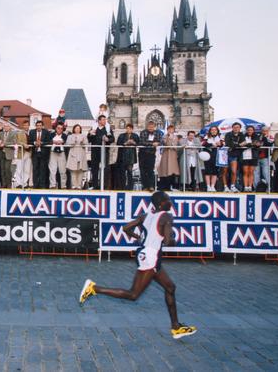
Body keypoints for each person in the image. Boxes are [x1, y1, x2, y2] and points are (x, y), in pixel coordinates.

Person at [79, 191, 197, 340]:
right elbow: (167, 241)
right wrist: (175, 239)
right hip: (151, 257)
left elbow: (125, 228)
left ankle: (176, 327)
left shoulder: (145, 216)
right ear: (161, 203)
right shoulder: (167, 217)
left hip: (146, 253)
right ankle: (94, 288)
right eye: (168, 200)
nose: (171, 202)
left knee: (170, 287)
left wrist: (139, 237)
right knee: (133, 294)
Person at [88, 115, 114, 189]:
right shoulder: (94, 128)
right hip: (95, 151)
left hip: (105, 151)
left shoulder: (108, 129)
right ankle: (95, 185)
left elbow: (112, 139)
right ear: (99, 121)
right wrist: (90, 134)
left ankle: (104, 186)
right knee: (94, 168)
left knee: (105, 168)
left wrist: (107, 139)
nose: (105, 121)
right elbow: (89, 138)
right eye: (103, 120)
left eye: (105, 120)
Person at [138, 121, 162, 191]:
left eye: (152, 127)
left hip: (151, 154)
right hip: (142, 153)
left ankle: (151, 186)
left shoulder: (157, 132)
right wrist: (152, 144)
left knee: (151, 170)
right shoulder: (143, 132)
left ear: (154, 127)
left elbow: (160, 141)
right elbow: (142, 142)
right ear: (147, 126)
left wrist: (156, 143)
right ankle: (145, 186)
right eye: (149, 127)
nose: (151, 128)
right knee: (142, 170)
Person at [223, 122, 245, 192]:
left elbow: (244, 144)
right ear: (232, 128)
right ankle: (225, 186)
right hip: (225, 155)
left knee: (234, 171)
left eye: (238, 127)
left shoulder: (241, 135)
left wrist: (235, 145)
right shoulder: (228, 134)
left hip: (234, 155)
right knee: (224, 171)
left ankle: (232, 186)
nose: (236, 129)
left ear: (240, 128)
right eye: (235, 127)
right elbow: (229, 144)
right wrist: (238, 145)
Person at [116, 124, 140, 190]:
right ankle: (122, 187)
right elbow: (118, 143)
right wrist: (125, 143)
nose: (128, 130)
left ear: (132, 129)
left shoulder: (135, 135)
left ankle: (130, 187)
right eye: (127, 128)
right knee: (122, 173)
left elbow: (139, 143)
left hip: (131, 157)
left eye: (130, 128)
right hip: (122, 157)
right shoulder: (122, 135)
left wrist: (134, 143)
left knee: (130, 172)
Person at [28, 120, 50, 189]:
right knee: (35, 170)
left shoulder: (46, 132)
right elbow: (29, 141)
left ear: (42, 126)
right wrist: (34, 143)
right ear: (36, 126)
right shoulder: (32, 132)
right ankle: (35, 185)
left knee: (42, 170)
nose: (39, 127)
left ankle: (42, 185)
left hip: (43, 154)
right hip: (35, 153)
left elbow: (49, 141)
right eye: (37, 125)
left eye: (40, 125)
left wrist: (42, 143)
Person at [158, 125, 180, 191]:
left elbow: (175, 145)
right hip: (166, 154)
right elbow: (166, 143)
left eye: (172, 129)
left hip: (173, 154)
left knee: (172, 170)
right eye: (169, 129)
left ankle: (171, 186)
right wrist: (169, 139)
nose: (170, 131)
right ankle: (164, 186)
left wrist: (171, 141)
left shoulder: (175, 137)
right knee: (164, 170)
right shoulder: (164, 136)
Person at [66, 124, 88, 189]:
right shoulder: (70, 136)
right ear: (74, 129)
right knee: (73, 170)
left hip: (81, 154)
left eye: (79, 128)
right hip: (73, 153)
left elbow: (86, 144)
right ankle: (74, 185)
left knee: (80, 170)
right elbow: (68, 144)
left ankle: (79, 185)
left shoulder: (83, 136)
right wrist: (73, 141)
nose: (77, 129)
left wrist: (82, 143)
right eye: (76, 128)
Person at [201, 126, 222, 192]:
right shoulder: (206, 136)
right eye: (212, 130)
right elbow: (203, 143)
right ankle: (208, 186)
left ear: (217, 131)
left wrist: (219, 144)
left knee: (215, 171)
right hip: (207, 155)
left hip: (216, 155)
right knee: (207, 171)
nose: (213, 131)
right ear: (210, 131)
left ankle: (213, 186)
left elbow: (222, 144)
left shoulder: (219, 137)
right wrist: (212, 144)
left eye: (215, 130)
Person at [240, 125, 260, 192]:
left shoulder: (256, 136)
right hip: (245, 156)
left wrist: (248, 144)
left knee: (251, 172)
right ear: (246, 130)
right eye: (248, 130)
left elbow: (257, 144)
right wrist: (250, 144)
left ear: (253, 131)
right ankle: (245, 187)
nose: (249, 131)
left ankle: (250, 186)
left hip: (253, 156)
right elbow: (241, 144)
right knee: (245, 172)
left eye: (251, 130)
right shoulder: (243, 136)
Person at [0, 123, 17, 188]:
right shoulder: (0, 134)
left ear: (10, 127)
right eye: (5, 126)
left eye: (7, 126)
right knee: (2, 169)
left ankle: (9, 184)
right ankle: (3, 184)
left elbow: (14, 142)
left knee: (7, 169)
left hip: (9, 153)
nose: (6, 128)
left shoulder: (13, 134)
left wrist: (4, 143)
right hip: (1, 153)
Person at [49, 123, 68, 189]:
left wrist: (60, 142)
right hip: (53, 153)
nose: (59, 129)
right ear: (56, 128)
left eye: (61, 128)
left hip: (62, 153)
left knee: (62, 170)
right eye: (58, 128)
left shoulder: (65, 135)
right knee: (52, 170)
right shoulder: (51, 134)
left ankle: (63, 186)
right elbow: (49, 141)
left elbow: (65, 141)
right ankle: (52, 185)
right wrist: (53, 141)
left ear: (63, 129)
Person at [254, 126, 273, 190]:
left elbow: (269, 144)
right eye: (263, 131)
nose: (264, 132)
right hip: (257, 157)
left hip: (265, 157)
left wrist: (264, 139)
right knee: (256, 173)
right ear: (261, 131)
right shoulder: (258, 136)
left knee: (266, 172)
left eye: (266, 131)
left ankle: (269, 187)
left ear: (268, 131)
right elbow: (256, 144)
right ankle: (256, 187)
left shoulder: (270, 137)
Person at [14, 120, 32, 188]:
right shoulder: (19, 133)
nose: (26, 126)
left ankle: (24, 183)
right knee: (19, 169)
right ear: (22, 126)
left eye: (27, 125)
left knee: (27, 169)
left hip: (29, 153)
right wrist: (23, 144)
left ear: (28, 126)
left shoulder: (31, 133)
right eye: (24, 125)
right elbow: (17, 141)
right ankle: (18, 183)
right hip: (21, 152)